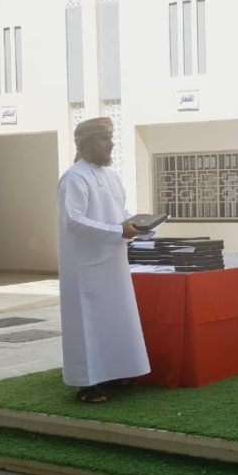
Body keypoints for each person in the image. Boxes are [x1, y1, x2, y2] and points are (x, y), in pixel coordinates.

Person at [57, 117, 150, 403]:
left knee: (115, 318)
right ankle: (86, 384)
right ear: (86, 144)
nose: (111, 144)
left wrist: (142, 225)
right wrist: (118, 231)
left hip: (113, 262)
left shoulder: (112, 176)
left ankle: (116, 373)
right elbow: (74, 221)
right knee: (87, 324)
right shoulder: (74, 177)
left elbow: (120, 214)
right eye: (104, 139)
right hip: (85, 269)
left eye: (111, 138)